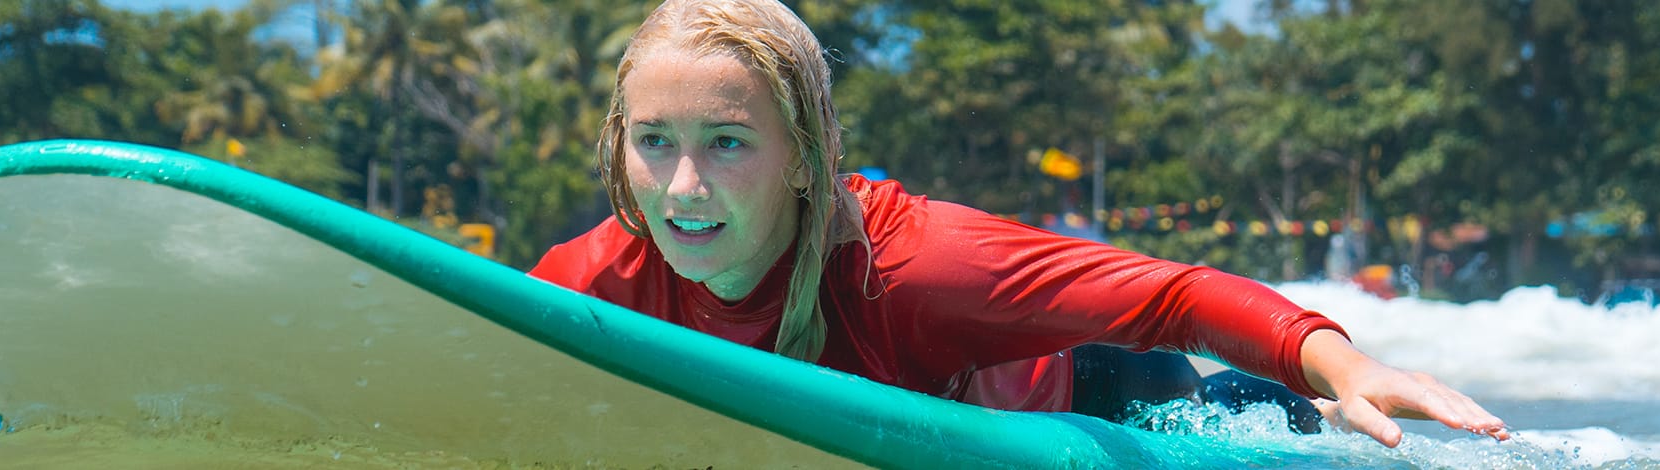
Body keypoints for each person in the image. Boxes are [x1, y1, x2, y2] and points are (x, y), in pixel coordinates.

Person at [526, 0, 1509, 447]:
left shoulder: (914, 266)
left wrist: (1344, 365)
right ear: (616, 147)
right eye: (654, 139)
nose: (683, 184)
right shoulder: (584, 282)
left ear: (807, 160)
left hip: (1095, 395)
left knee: (1262, 420)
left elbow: (1168, 295)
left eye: (728, 142)